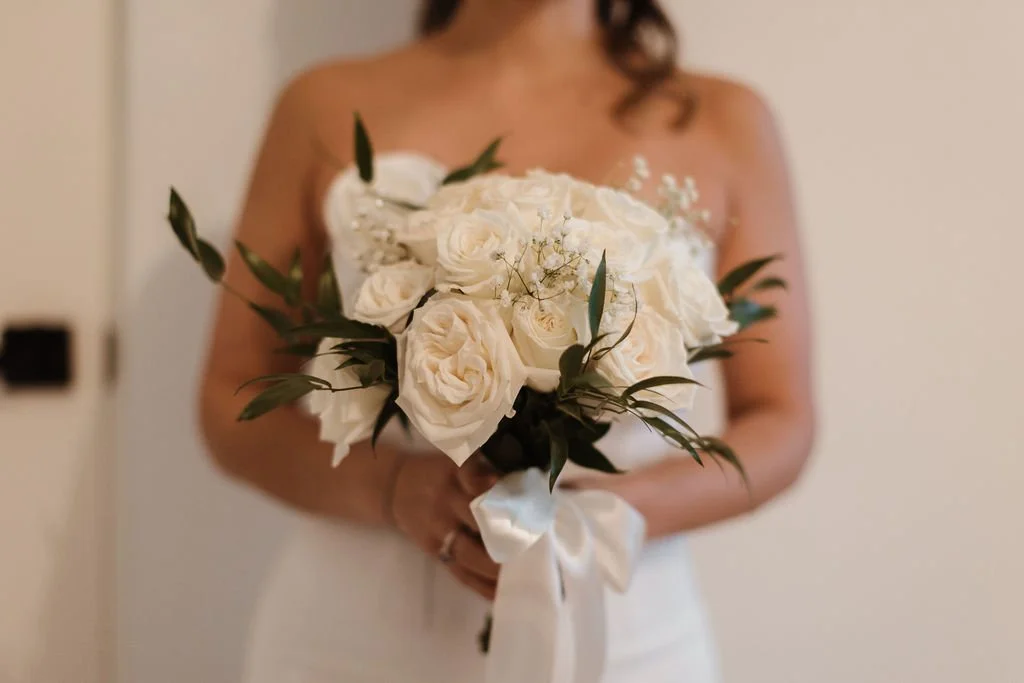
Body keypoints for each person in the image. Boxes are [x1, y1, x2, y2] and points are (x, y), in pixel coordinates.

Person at [199, 0, 815, 680]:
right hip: (354, 640)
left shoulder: (724, 120)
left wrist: (609, 518)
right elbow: (230, 399)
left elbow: (781, 419)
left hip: (623, 633)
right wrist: (395, 488)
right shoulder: (322, 104)